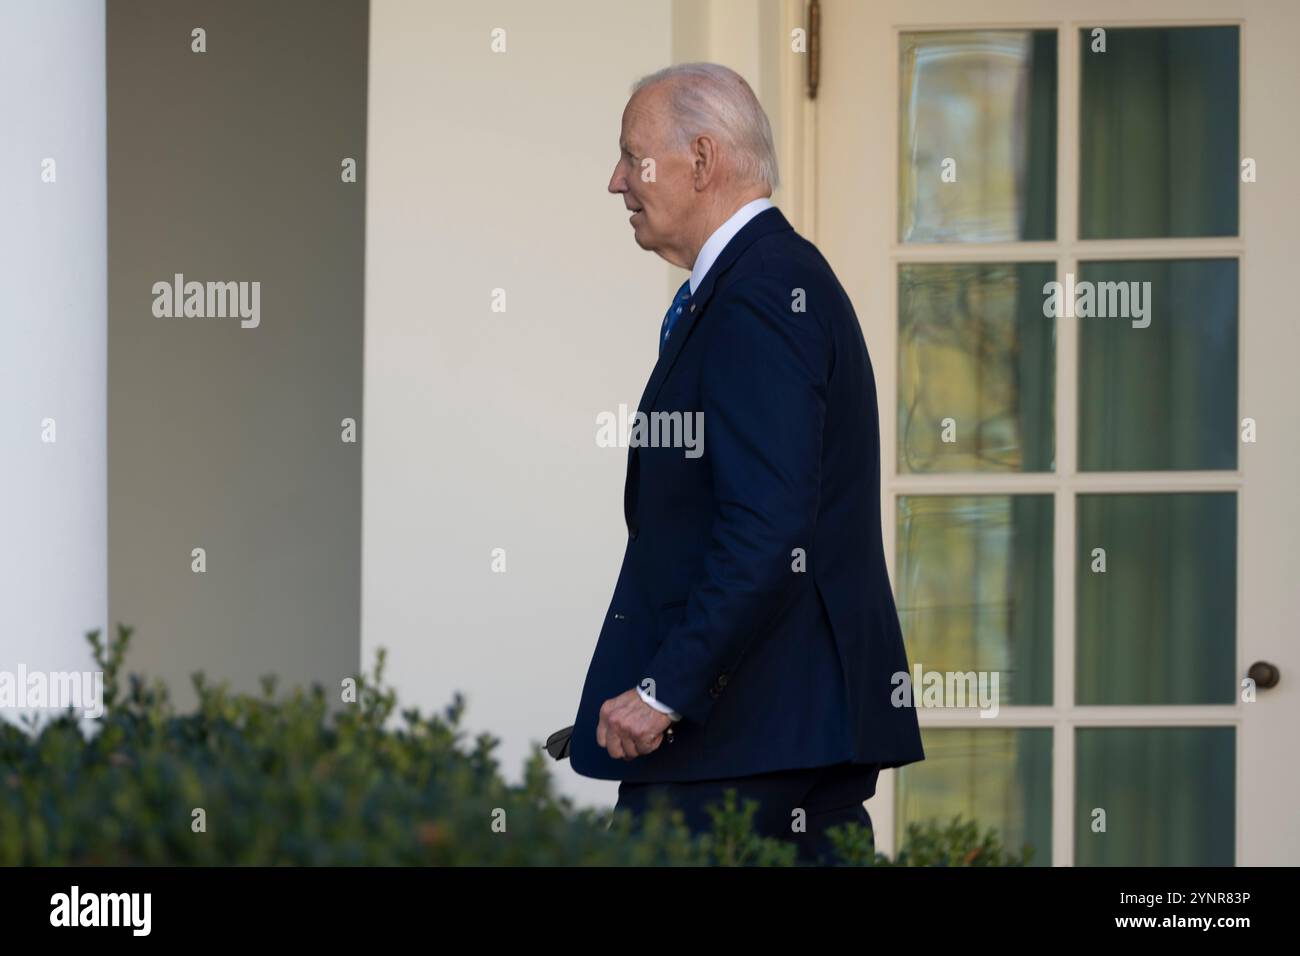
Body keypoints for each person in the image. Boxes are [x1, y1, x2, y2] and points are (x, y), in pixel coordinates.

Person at [568, 62, 924, 864]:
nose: (617, 180)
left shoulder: (762, 289)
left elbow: (768, 524)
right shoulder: (760, 280)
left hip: (745, 739)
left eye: (634, 156)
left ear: (701, 160)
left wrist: (665, 690)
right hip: (773, 732)